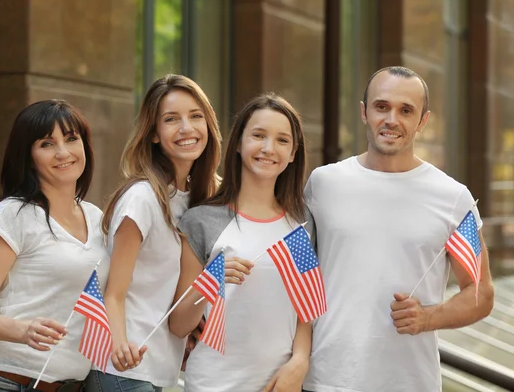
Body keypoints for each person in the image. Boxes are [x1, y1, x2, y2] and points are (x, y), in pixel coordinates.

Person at [302, 66, 495, 392]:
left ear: (423, 120)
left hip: (409, 383)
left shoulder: (453, 197)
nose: (392, 119)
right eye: (382, 107)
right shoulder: (322, 183)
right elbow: (297, 279)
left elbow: (482, 293)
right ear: (364, 112)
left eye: (406, 110)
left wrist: (428, 318)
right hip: (326, 380)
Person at [0, 99, 109, 392]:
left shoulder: (96, 217)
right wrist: (23, 330)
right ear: (28, 157)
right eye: (46, 144)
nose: (63, 152)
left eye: (71, 139)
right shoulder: (14, 214)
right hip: (4, 382)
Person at [84, 74, 222, 392]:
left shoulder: (204, 199)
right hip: (121, 367)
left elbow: (180, 312)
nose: (186, 128)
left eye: (195, 116)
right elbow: (114, 292)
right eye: (171, 119)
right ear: (155, 134)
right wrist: (120, 346)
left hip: (158, 368)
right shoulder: (142, 198)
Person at [169, 93, 314, 392]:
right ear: (238, 143)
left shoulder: (301, 222)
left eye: (282, 140)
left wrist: (300, 361)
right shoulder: (202, 221)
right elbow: (179, 325)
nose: (268, 148)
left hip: (279, 384)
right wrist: (209, 281)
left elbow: (305, 305)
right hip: (213, 384)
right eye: (258, 135)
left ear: (293, 153)